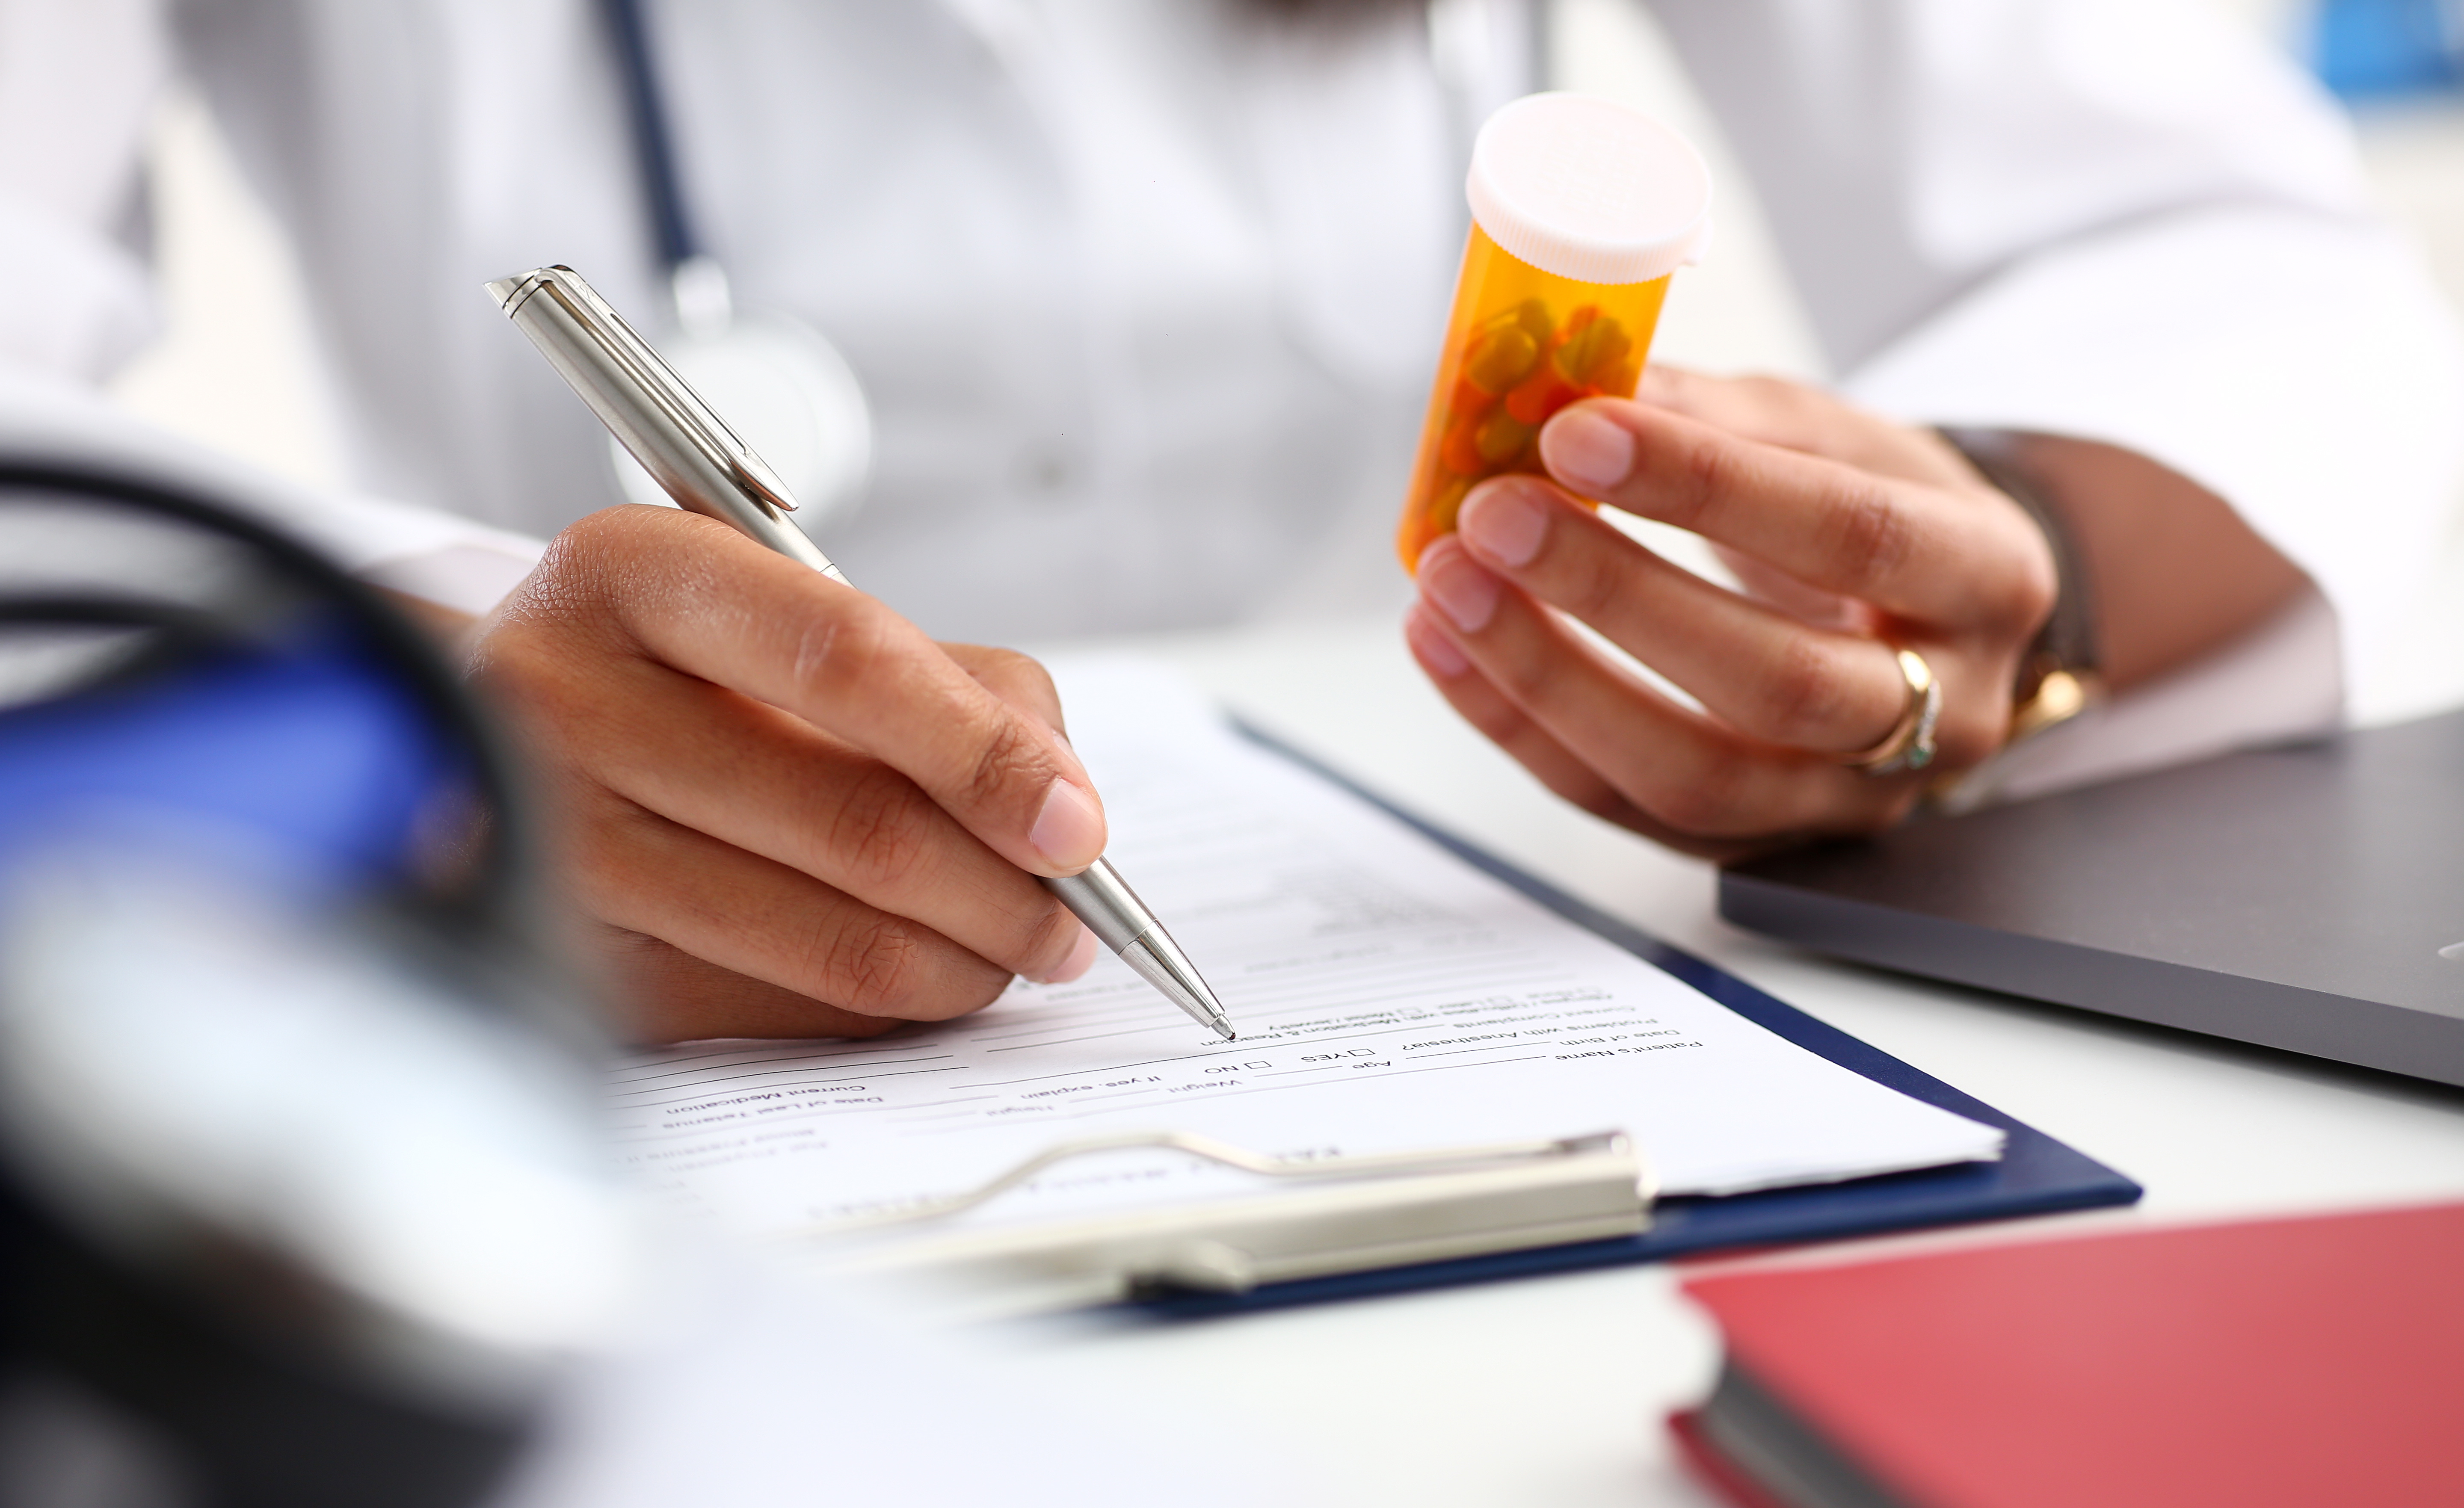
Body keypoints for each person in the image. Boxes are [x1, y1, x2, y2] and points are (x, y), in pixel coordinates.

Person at [5, 0, 2458, 1041]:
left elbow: (2200, 247)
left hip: (1509, 936)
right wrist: (401, 695)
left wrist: (1983, 557)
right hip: (557, 1074)